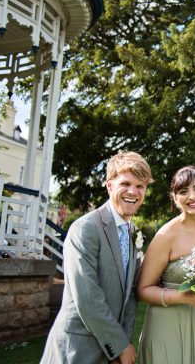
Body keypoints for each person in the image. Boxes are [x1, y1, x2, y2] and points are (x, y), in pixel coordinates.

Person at [41, 151, 153, 364]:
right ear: (110, 185)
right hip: (77, 349)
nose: (133, 191)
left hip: (112, 352)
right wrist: (119, 345)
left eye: (140, 186)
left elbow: (130, 295)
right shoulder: (86, 228)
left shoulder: (133, 233)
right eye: (126, 183)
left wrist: (123, 344)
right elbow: (87, 296)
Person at [137, 166, 195, 363]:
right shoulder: (165, 236)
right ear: (175, 198)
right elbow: (143, 290)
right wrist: (184, 298)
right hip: (167, 324)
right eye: (183, 191)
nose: (192, 196)